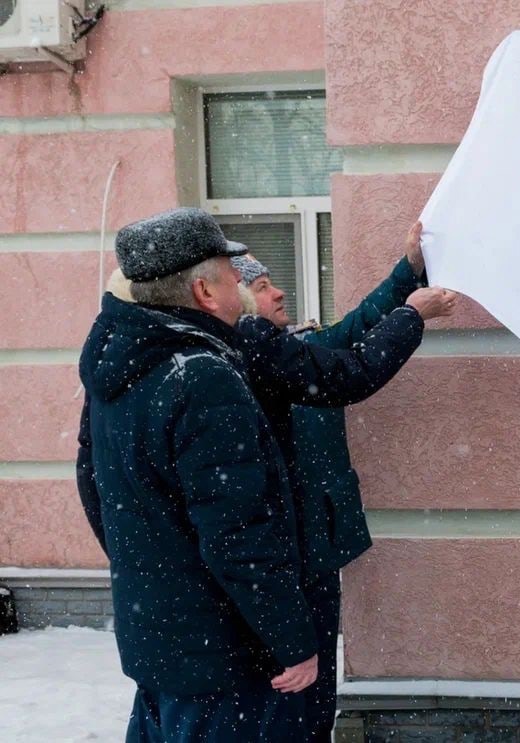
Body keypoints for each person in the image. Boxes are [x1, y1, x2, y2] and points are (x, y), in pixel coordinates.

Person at [77, 208, 319, 742]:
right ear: (206, 293)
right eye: (235, 278)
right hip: (224, 659)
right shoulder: (203, 376)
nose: (245, 290)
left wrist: (156, 571)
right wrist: (294, 640)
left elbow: (96, 493)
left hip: (161, 644)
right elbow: (239, 534)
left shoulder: (121, 364)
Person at [230, 221, 442, 741]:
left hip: (315, 549)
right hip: (281, 560)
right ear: (228, 301)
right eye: (261, 287)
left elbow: (358, 330)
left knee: (315, 690)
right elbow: (358, 368)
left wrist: (410, 269)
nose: (278, 292)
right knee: (289, 692)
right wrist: (414, 313)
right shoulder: (236, 371)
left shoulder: (289, 350)